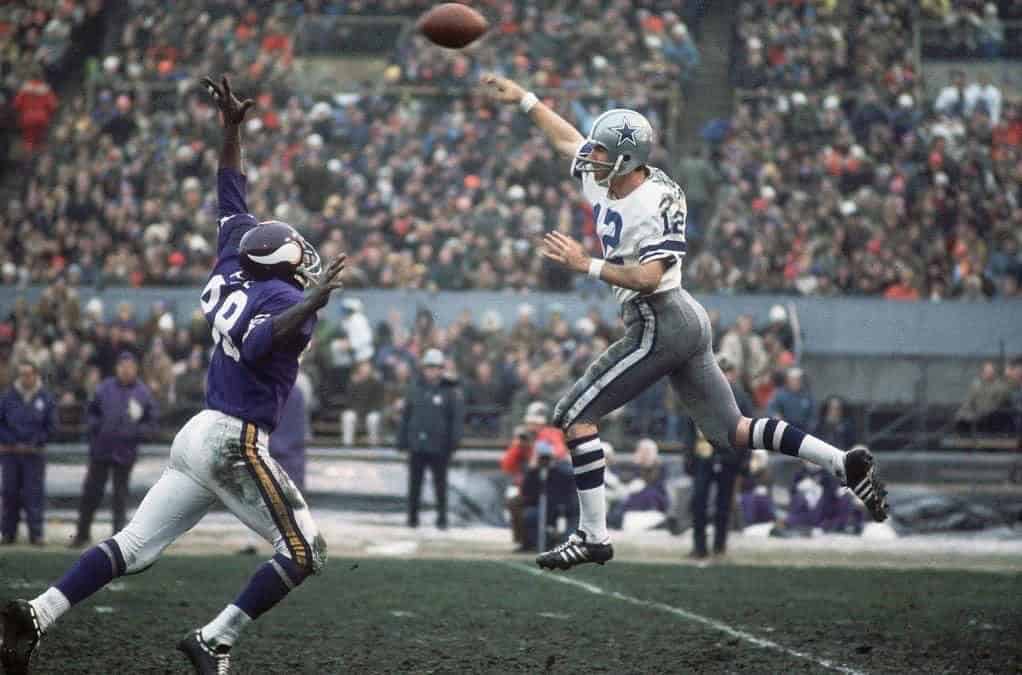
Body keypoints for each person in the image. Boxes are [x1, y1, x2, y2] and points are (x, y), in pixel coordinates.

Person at [2, 75, 348, 675]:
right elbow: (265, 337)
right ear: (284, 269)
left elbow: (230, 190)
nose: (307, 262)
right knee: (306, 550)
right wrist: (310, 305)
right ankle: (214, 640)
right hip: (234, 438)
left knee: (134, 545)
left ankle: (37, 614)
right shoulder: (280, 305)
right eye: (300, 259)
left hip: (199, 434)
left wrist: (231, 131)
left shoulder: (233, 256)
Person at [482, 72, 887, 571]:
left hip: (661, 319)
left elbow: (651, 277)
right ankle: (841, 461)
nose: (591, 158)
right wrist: (525, 99)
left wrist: (584, 264)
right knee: (732, 431)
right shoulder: (609, 170)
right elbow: (568, 137)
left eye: (603, 154)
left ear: (626, 161)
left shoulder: (653, 201)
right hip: (684, 319)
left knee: (573, 416)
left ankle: (593, 536)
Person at [71, 352, 157, 547]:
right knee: (91, 494)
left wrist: (136, 432)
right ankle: (82, 534)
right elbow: (90, 412)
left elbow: (152, 423)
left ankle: (117, 540)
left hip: (125, 452)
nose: (126, 370)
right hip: (101, 450)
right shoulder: (104, 388)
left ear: (135, 369)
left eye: (130, 366)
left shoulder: (143, 393)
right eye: (122, 366)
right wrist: (97, 428)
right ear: (117, 368)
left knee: (120, 497)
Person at [399, 348, 464, 530]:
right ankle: (412, 517)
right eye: (429, 367)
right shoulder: (414, 387)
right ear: (424, 368)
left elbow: (456, 419)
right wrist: (403, 440)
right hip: (417, 445)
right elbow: (407, 415)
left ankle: (442, 518)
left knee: (440, 485)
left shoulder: (451, 391)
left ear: (442, 369)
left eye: (436, 367)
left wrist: (454, 443)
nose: (432, 371)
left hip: (440, 445)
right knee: (414, 484)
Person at [0, 361, 56, 546]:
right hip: (11, 454)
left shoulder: (45, 398)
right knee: (10, 494)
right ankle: (8, 533)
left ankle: (36, 534)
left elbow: (51, 426)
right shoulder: (7, 398)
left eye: (29, 374)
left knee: (34, 494)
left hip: (34, 454)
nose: (26, 378)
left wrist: (34, 442)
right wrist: (12, 442)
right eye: (22, 374)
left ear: (36, 375)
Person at [501, 401, 568, 547]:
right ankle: (522, 541)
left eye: (536, 423)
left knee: (530, 512)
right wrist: (517, 446)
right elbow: (507, 466)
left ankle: (542, 538)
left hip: (549, 489)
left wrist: (538, 449)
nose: (532, 427)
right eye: (530, 423)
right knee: (513, 503)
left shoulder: (551, 434)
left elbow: (560, 452)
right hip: (529, 489)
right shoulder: (522, 439)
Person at [518, 440, 578, 552]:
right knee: (528, 515)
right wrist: (533, 472)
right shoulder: (532, 472)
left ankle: (566, 543)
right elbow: (527, 493)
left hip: (560, 506)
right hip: (539, 507)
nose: (544, 461)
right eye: (542, 458)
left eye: (547, 457)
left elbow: (569, 488)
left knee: (575, 512)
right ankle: (538, 543)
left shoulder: (562, 471)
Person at [340, 360, 384, 446]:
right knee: (348, 417)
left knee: (373, 419)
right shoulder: (353, 383)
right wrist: (354, 384)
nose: (365, 371)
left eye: (367, 369)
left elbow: (378, 402)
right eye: (363, 369)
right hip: (356, 410)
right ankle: (347, 444)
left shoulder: (376, 383)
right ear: (359, 370)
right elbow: (349, 401)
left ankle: (373, 444)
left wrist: (368, 411)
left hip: (371, 411)